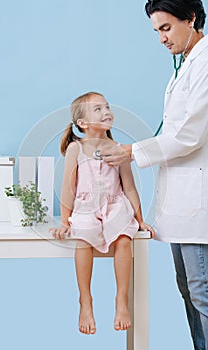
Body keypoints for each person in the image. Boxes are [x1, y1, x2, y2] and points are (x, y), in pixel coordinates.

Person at [100, 1, 208, 349]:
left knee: (201, 292)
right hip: (182, 199)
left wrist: (131, 151)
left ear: (190, 18)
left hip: (199, 199)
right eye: (155, 32)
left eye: (166, 28)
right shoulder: (185, 65)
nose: (161, 39)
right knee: (187, 288)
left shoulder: (206, 62)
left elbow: (191, 135)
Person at [49, 91, 154, 335]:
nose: (106, 111)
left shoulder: (120, 149)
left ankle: (121, 300)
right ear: (82, 123)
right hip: (86, 206)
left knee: (124, 239)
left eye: (106, 106)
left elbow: (128, 186)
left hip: (114, 204)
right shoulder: (76, 149)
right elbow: (68, 186)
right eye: (98, 109)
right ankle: (85, 300)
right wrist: (65, 221)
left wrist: (140, 220)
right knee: (83, 240)